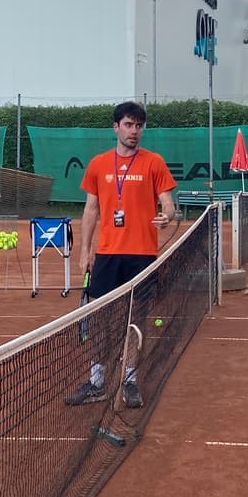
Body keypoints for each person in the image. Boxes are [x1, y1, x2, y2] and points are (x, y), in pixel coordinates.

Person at [63, 101, 177, 410]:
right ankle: (97, 381)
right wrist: (85, 251)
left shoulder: (154, 162)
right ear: (116, 127)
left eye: (139, 126)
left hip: (142, 256)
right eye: (128, 124)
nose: (134, 131)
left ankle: (128, 380)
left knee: (135, 321)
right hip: (107, 256)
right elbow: (90, 210)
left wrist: (166, 215)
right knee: (101, 319)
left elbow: (168, 203)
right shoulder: (99, 164)